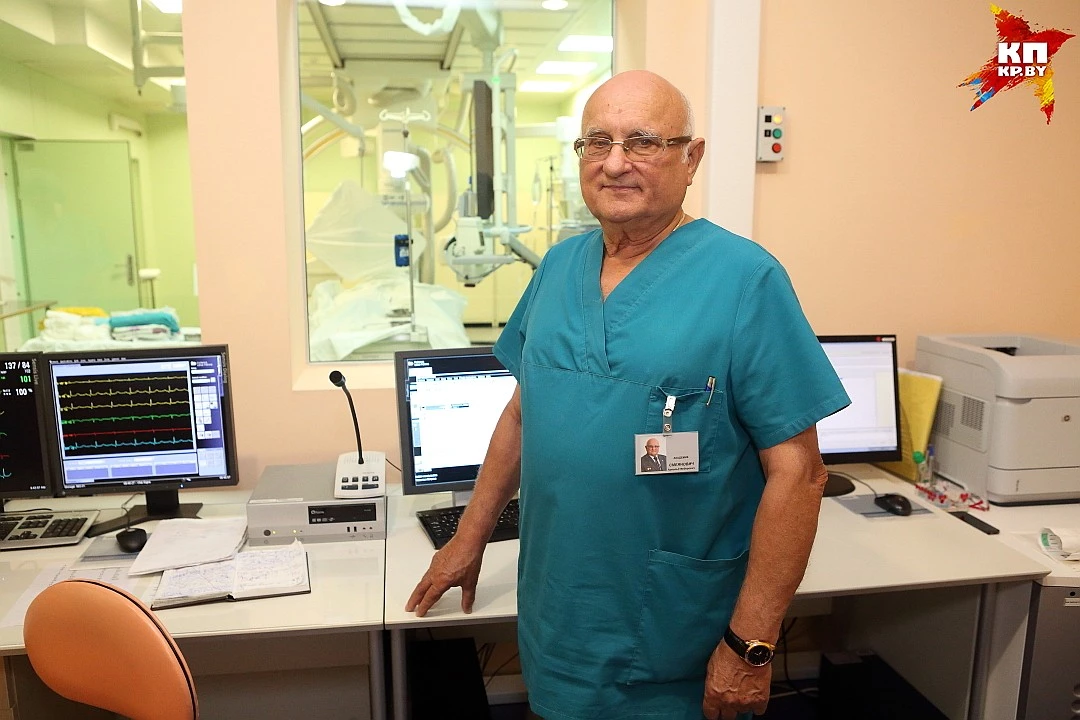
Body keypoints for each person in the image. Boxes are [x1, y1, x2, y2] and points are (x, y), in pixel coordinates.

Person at [406, 70, 850, 720]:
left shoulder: (745, 280)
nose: (615, 163)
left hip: (673, 635)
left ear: (690, 158)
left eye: (642, 141)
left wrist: (751, 645)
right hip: (557, 619)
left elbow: (800, 474)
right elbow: (524, 414)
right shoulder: (558, 267)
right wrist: (468, 538)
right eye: (598, 142)